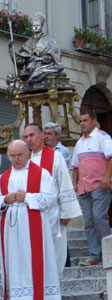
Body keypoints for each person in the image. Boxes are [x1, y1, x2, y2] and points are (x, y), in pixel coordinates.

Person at [0, 140, 61, 300]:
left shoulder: (42, 173)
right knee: (14, 263)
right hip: (11, 231)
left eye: (19, 155)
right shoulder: (4, 177)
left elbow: (51, 198)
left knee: (34, 263)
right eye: (12, 156)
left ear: (28, 155)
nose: (16, 159)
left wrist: (27, 197)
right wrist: (5, 199)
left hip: (33, 226)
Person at [23, 123, 81, 275]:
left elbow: (64, 183)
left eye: (32, 135)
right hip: (29, 215)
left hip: (52, 215)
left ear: (42, 136)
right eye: (26, 137)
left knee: (52, 253)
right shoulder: (24, 159)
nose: (29, 139)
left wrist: (66, 212)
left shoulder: (55, 156)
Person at [72, 110, 112, 266]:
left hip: (100, 185)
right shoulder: (79, 142)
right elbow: (75, 166)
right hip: (84, 188)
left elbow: (111, 158)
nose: (82, 124)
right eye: (81, 121)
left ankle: (108, 253)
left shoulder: (102, 137)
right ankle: (96, 255)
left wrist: (107, 178)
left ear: (94, 121)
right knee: (88, 221)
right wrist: (75, 184)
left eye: (85, 120)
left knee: (98, 216)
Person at [8, 12, 65, 88]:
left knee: (38, 70)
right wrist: (11, 49)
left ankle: (29, 82)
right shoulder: (28, 43)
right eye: (34, 25)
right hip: (30, 68)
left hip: (44, 65)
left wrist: (45, 59)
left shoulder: (49, 41)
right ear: (31, 27)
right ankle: (29, 82)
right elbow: (20, 60)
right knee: (29, 70)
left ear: (41, 26)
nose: (35, 27)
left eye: (37, 25)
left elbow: (55, 55)